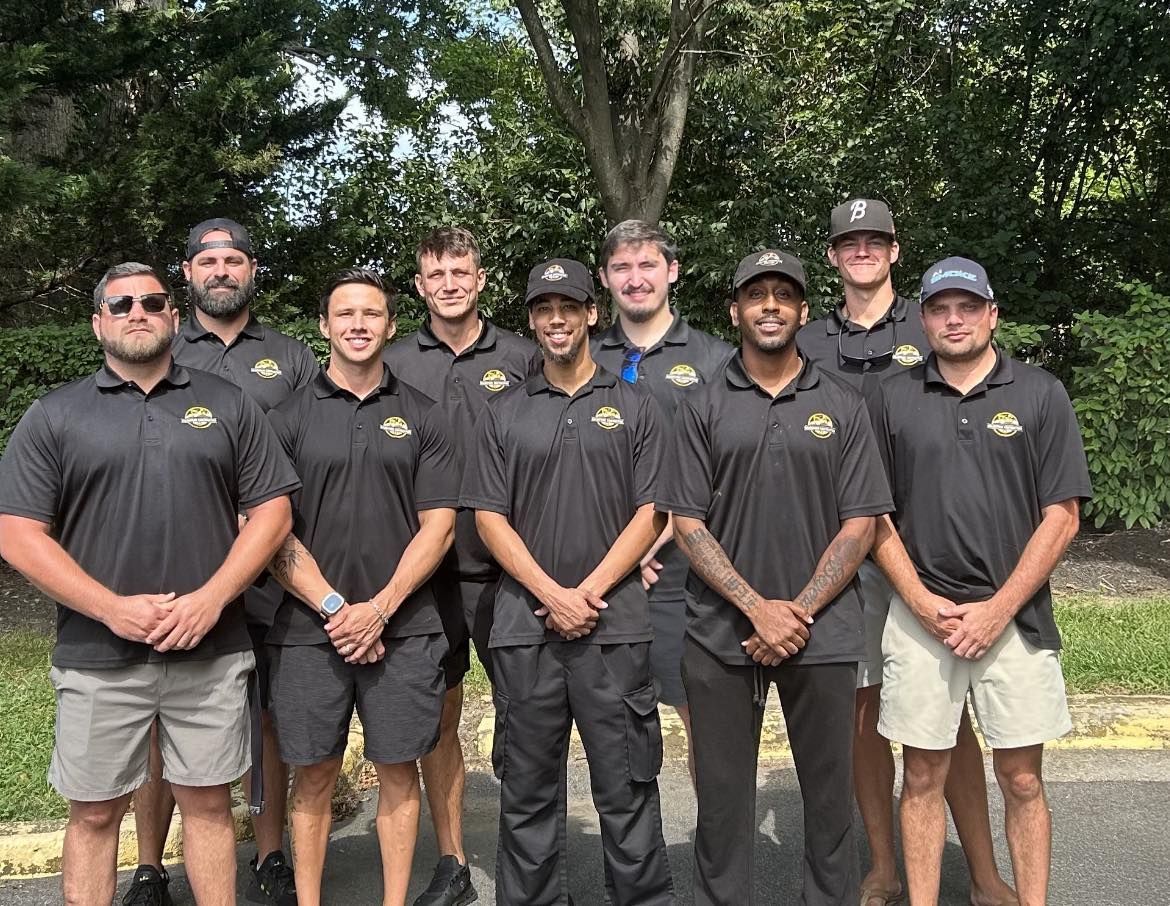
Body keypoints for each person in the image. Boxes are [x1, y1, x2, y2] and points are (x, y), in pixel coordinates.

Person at [0, 262, 299, 906]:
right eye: (121, 303)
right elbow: (17, 534)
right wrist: (110, 609)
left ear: (172, 315)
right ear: (98, 322)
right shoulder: (56, 415)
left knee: (211, 806)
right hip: (98, 655)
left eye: (153, 301)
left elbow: (273, 512)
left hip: (211, 648)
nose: (138, 311)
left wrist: (212, 598)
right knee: (95, 814)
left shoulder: (227, 404)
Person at [658, 249, 893, 906]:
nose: (769, 306)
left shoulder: (842, 405)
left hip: (824, 634)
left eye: (782, 296)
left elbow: (861, 524)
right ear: (734, 310)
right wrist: (757, 608)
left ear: (803, 311)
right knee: (724, 809)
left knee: (829, 807)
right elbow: (686, 521)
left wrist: (798, 612)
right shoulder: (701, 406)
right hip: (718, 633)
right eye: (756, 295)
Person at [798, 200, 1016, 906]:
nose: (861, 250)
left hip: (925, 552)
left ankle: (983, 874)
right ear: (833, 256)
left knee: (946, 720)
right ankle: (884, 867)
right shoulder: (812, 340)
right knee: (865, 716)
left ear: (895, 250)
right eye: (847, 242)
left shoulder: (929, 324)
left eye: (874, 241)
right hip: (843, 553)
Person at [870, 257, 1091, 906]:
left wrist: (998, 608)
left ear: (992, 314)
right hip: (921, 619)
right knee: (921, 775)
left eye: (968, 307)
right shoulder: (892, 395)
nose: (955, 319)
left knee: (1022, 778)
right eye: (941, 308)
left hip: (1014, 621)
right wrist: (918, 600)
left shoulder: (1039, 393)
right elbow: (874, 516)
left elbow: (1063, 515)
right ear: (923, 319)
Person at [461, 258, 674, 906]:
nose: (555, 319)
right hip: (525, 633)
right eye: (542, 309)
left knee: (628, 789)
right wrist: (552, 595)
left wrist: (591, 593)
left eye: (568, 307)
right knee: (526, 794)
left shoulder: (636, 405)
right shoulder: (501, 411)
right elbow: (487, 517)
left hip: (615, 631)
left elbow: (654, 509)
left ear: (591, 313)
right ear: (532, 320)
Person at [125, 217, 318, 906]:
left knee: (264, 713)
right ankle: (150, 867)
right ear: (187, 274)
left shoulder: (292, 358)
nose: (222, 271)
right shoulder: (161, 352)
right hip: (179, 570)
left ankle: (270, 855)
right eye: (208, 261)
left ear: (252, 270)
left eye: (234, 259)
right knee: (159, 719)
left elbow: (312, 460)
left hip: (269, 567)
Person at [263, 268, 459, 906]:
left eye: (371, 315)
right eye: (344, 314)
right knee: (314, 775)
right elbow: (270, 530)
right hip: (307, 633)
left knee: (398, 773)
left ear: (390, 326)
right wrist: (335, 608)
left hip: (404, 630)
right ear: (323, 326)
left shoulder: (425, 416)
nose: (357, 325)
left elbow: (439, 526)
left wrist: (378, 609)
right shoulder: (285, 417)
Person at [384, 227, 537, 906]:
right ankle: (453, 861)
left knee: (527, 719)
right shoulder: (392, 363)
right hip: (425, 576)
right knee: (439, 720)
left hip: (508, 572)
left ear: (481, 279)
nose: (449, 283)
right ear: (419, 286)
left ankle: (533, 863)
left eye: (460, 271)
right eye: (435, 273)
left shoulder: (524, 358)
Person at [591, 220, 732, 784]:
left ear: (672, 272)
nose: (635, 279)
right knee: (609, 718)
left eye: (647, 265)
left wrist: (659, 536)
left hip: (685, 571)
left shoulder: (715, 360)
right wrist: (619, 553)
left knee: (702, 717)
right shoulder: (582, 356)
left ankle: (713, 861)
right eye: (622, 268)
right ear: (605, 279)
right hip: (599, 570)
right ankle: (635, 863)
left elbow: (723, 467)